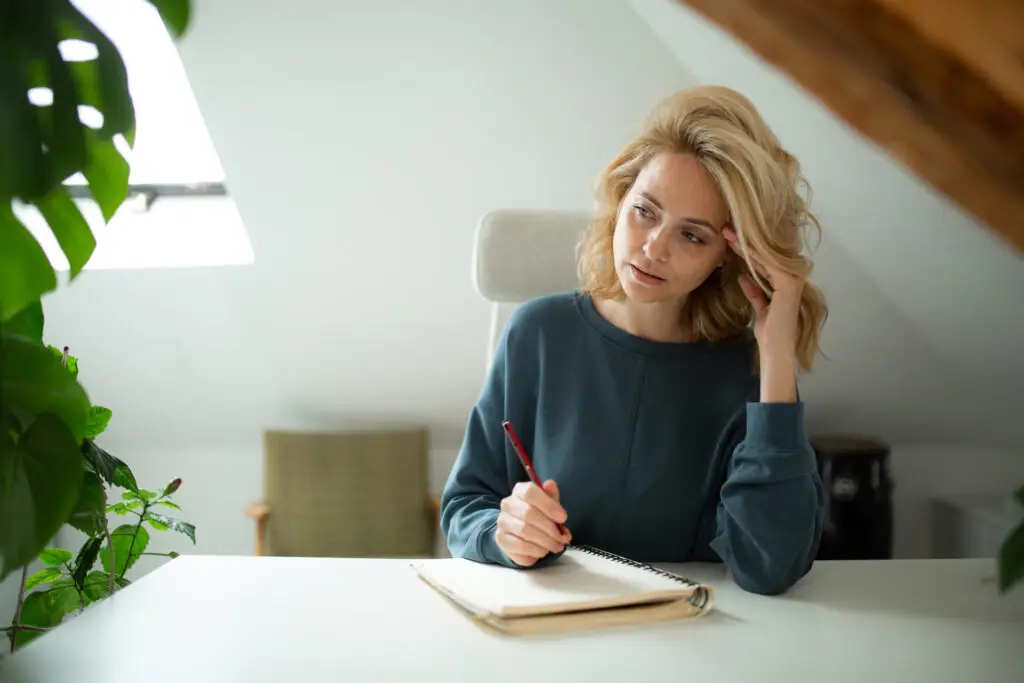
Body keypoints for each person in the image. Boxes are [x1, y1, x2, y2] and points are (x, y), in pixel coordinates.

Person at [440, 85, 829, 595]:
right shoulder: (537, 333)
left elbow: (771, 566)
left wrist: (777, 356)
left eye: (692, 236)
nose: (652, 248)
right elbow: (465, 504)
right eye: (645, 211)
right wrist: (502, 531)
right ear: (621, 199)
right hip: (552, 636)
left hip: (696, 644)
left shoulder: (748, 369)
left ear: (727, 257)